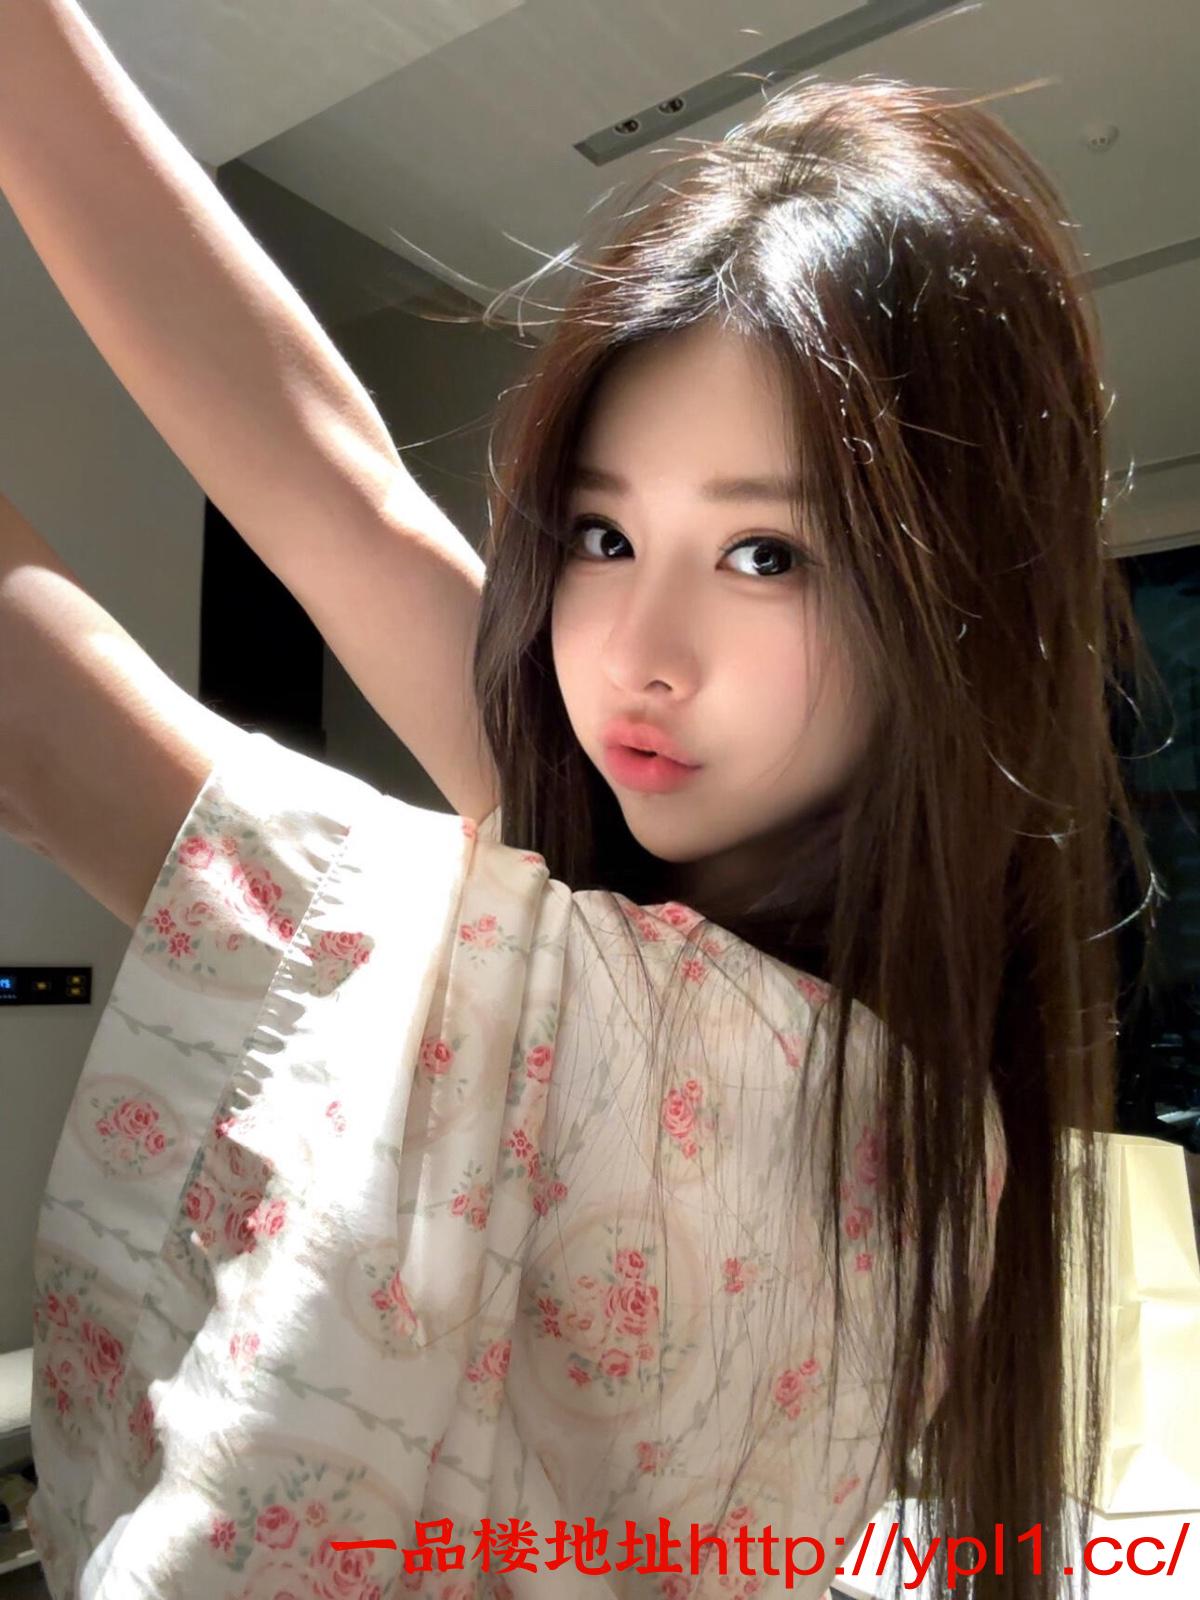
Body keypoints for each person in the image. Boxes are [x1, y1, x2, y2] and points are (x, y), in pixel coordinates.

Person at [0, 2, 1161, 1597]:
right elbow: (335, 480)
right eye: (603, 536)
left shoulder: (702, 1070)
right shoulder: (933, 1109)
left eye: (766, 553)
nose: (637, 653)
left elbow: (34, 714)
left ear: (958, 609)